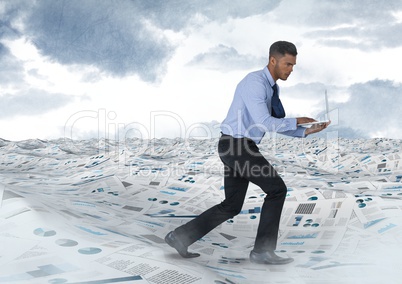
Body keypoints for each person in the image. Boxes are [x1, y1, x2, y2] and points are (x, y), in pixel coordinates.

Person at [165, 41, 330, 265]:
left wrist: (306, 131)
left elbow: (273, 124)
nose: (291, 69)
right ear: (273, 60)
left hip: (235, 146)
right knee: (277, 189)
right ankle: (262, 251)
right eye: (287, 64)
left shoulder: (271, 87)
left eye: (293, 65)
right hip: (237, 146)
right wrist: (297, 120)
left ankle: (180, 237)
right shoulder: (256, 83)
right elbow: (265, 122)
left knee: (231, 205)